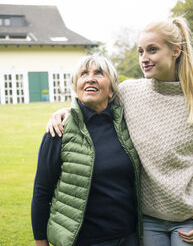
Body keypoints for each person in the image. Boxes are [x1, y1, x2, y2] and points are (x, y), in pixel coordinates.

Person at [46, 17, 193, 246]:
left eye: (152, 50)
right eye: (140, 51)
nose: (144, 58)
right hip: (148, 218)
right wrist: (65, 112)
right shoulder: (128, 93)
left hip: (191, 217)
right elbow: (94, 102)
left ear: (176, 51)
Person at [31, 55, 142, 246]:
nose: (90, 78)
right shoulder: (59, 130)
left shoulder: (127, 125)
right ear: (77, 87)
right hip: (83, 240)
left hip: (129, 237)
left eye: (99, 73)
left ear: (112, 89)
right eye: (83, 74)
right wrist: (41, 242)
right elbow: (42, 192)